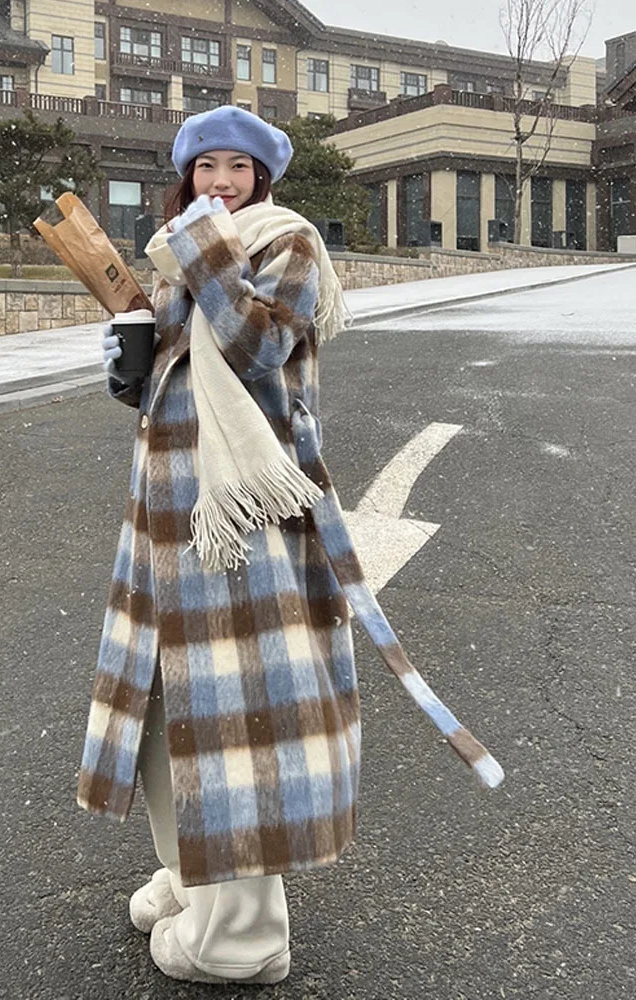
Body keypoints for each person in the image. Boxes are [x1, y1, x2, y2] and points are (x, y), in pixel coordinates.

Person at [77, 106, 503, 986]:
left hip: (250, 528)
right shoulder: (184, 253)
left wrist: (198, 250)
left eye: (238, 168)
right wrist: (135, 358)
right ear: (187, 174)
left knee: (237, 718)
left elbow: (256, 346)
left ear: (263, 178)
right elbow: (182, 375)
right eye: (205, 168)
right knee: (165, 710)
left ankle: (241, 935)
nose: (220, 183)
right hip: (170, 518)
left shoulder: (285, 244)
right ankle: (197, 879)